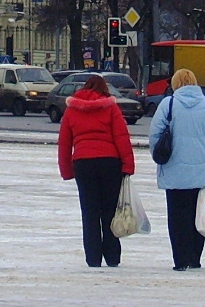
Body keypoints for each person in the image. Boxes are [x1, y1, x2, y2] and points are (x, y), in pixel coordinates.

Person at [147, 68, 205, 271]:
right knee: (198, 215)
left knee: (177, 217)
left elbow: (155, 134)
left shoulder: (168, 105)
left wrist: (158, 155)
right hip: (202, 171)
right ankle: (195, 258)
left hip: (174, 169)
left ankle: (180, 260)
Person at [58, 73, 137, 268]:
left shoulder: (72, 109)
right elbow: (121, 137)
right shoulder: (110, 108)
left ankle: (93, 258)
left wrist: (67, 170)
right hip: (110, 163)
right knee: (110, 211)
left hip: (83, 163)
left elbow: (65, 143)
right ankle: (112, 256)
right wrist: (128, 165)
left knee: (89, 211)